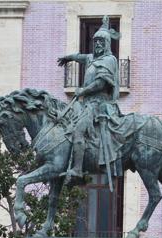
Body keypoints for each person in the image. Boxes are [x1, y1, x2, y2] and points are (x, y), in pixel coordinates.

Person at [57, 16, 123, 188]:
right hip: (86, 103)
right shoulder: (92, 58)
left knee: (78, 131)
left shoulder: (109, 60)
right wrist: (68, 58)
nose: (98, 45)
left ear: (108, 43)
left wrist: (82, 91)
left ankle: (77, 170)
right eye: (96, 41)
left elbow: (101, 83)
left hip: (99, 105)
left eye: (101, 42)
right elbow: (81, 57)